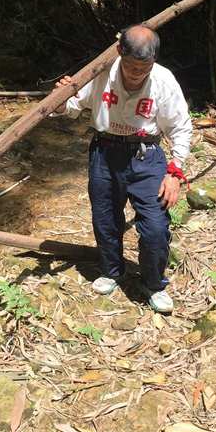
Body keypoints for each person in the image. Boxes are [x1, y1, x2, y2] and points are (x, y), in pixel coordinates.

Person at [53, 24, 192, 313]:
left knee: (154, 226)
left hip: (147, 155)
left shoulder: (163, 80)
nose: (136, 73)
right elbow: (72, 107)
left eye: (144, 68)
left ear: (153, 61)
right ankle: (112, 271)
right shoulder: (101, 72)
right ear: (119, 53)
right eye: (130, 66)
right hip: (105, 153)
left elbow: (180, 127)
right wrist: (61, 99)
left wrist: (175, 171)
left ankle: (153, 284)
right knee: (105, 217)